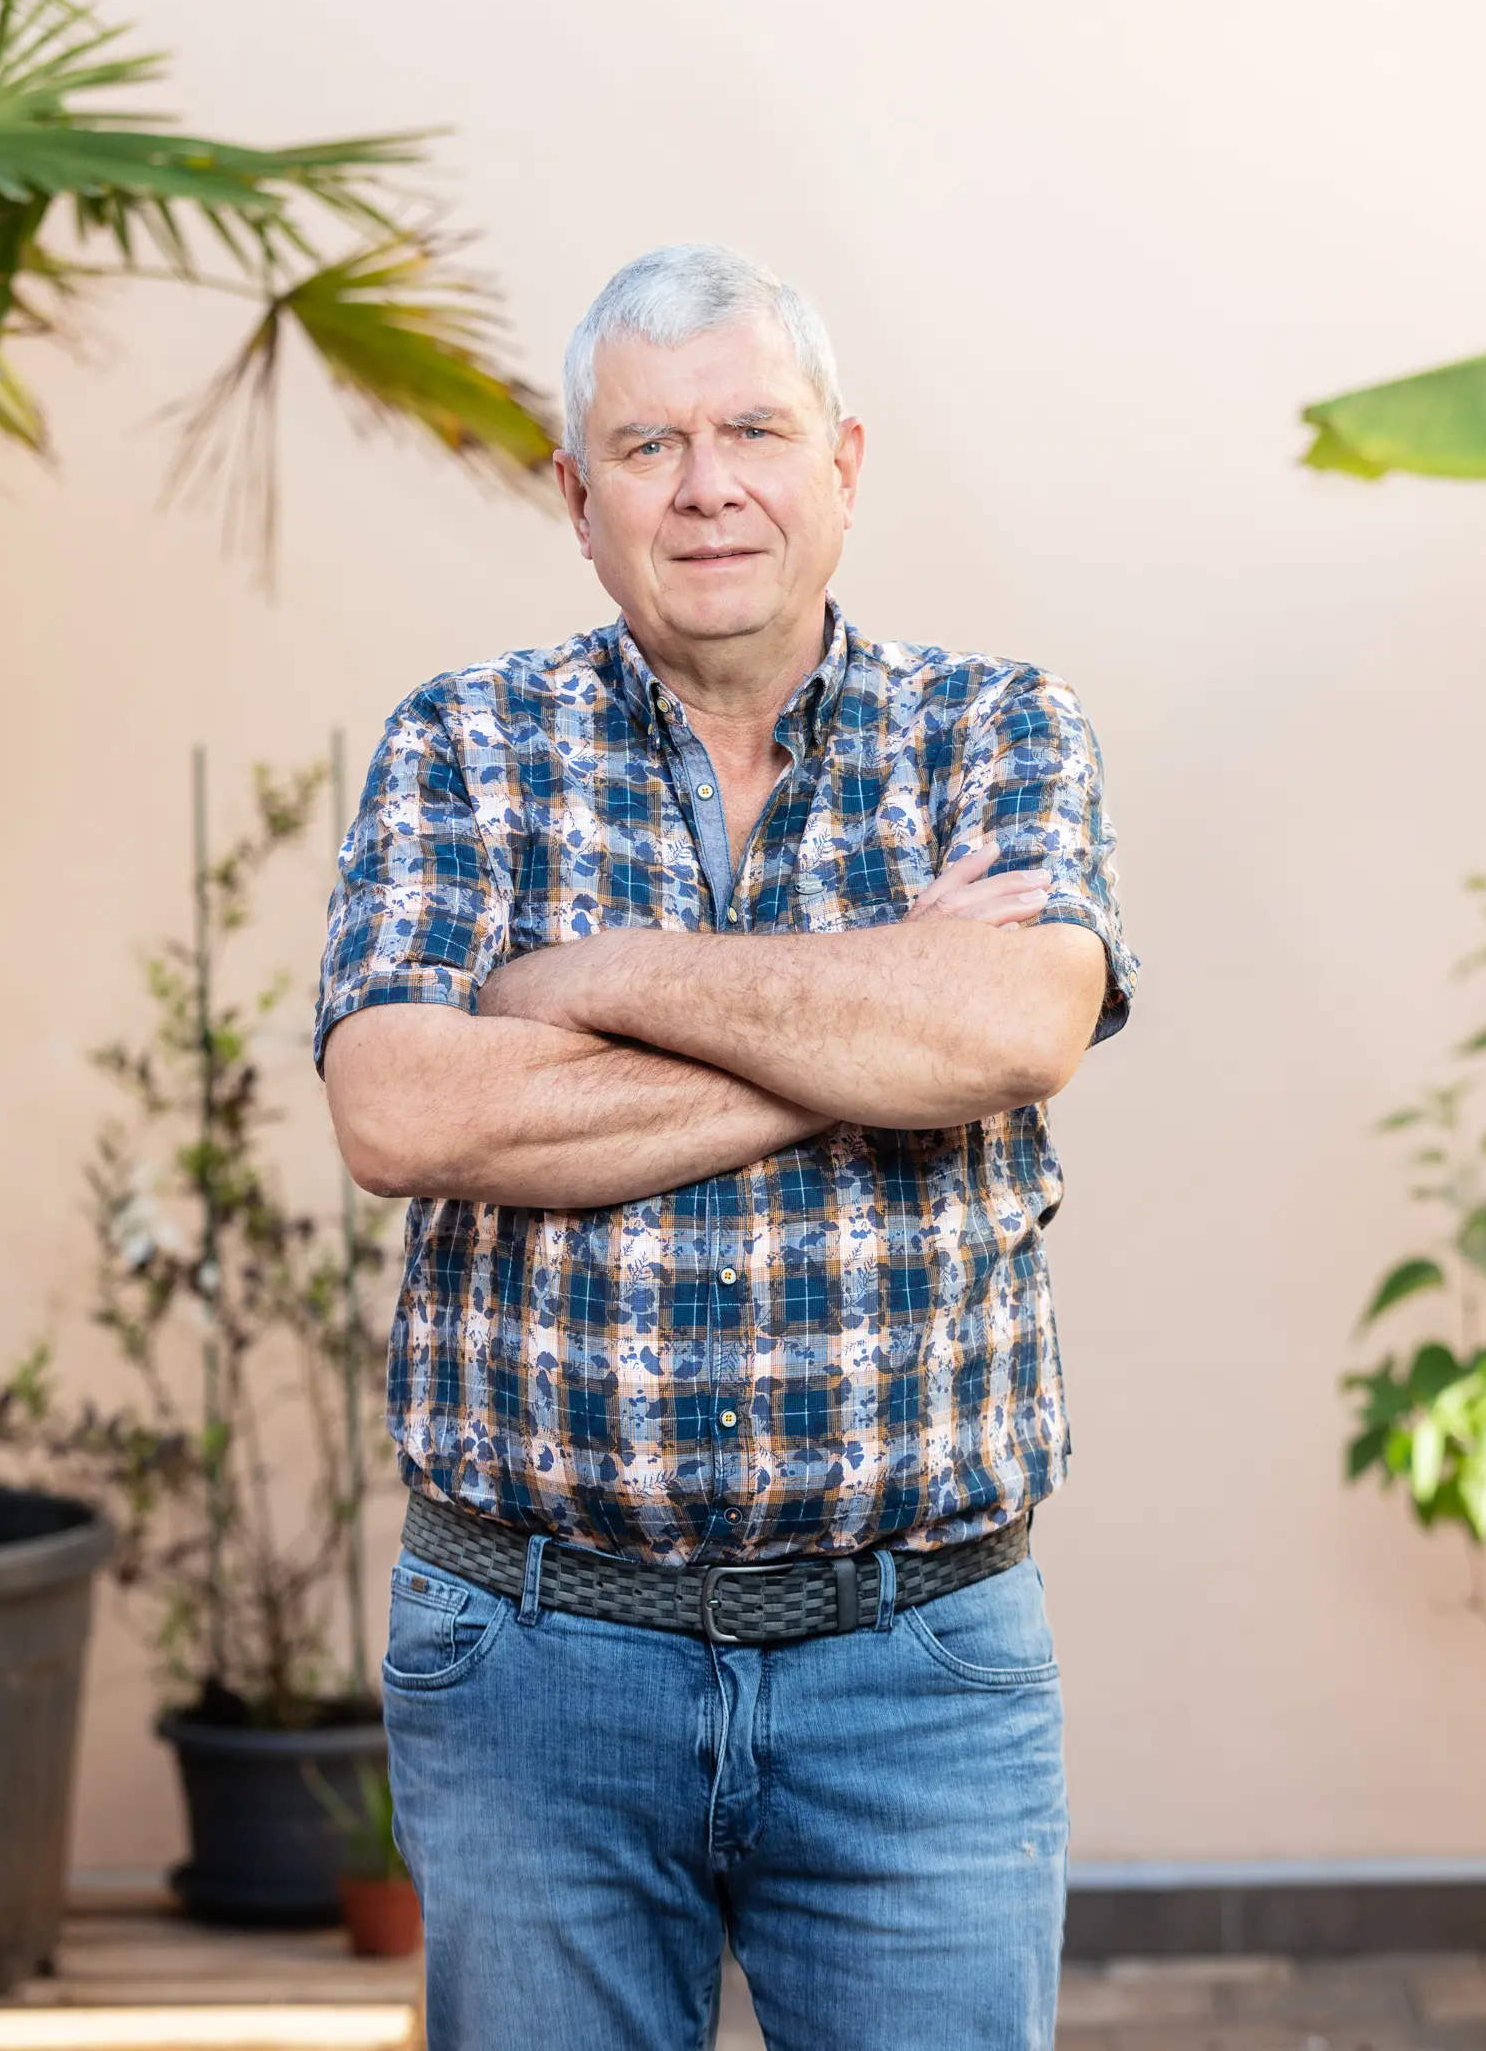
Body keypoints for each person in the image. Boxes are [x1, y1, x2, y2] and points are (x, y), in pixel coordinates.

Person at [316, 242, 1137, 2051]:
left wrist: (593, 978)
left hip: (913, 1669)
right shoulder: (464, 749)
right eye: (648, 445)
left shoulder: (995, 729)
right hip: (535, 1666)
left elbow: (1015, 1029)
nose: (707, 488)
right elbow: (399, 1107)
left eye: (754, 430)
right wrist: (874, 1029)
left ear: (843, 463)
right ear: (576, 493)